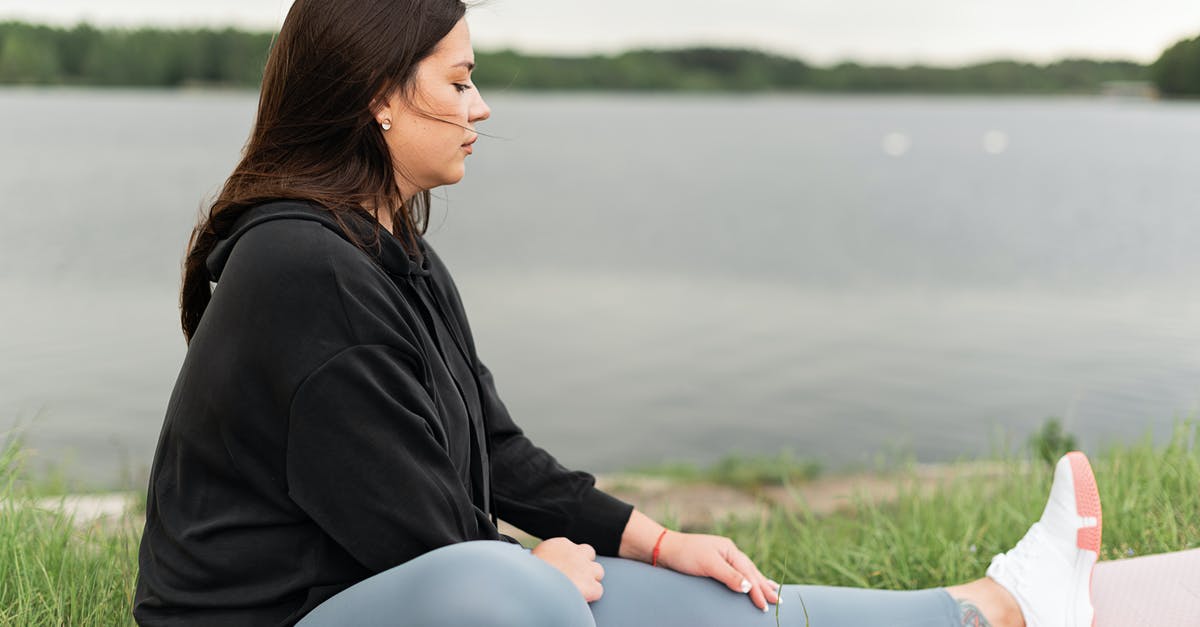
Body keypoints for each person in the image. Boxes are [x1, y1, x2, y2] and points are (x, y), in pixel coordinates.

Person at [132, 1, 1102, 625]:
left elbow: (499, 455)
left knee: (688, 593)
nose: (481, 107)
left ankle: (998, 608)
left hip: (379, 592)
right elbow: (420, 537)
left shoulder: (393, 256)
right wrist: (538, 566)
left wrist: (652, 538)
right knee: (519, 590)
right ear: (380, 98)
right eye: (460, 80)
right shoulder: (300, 269)